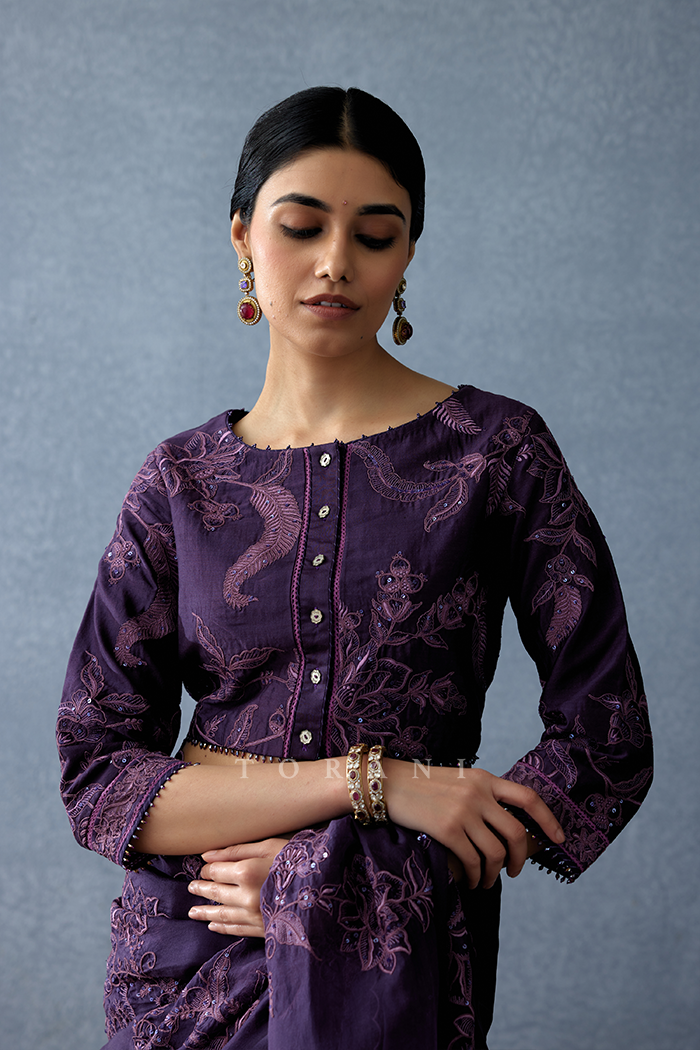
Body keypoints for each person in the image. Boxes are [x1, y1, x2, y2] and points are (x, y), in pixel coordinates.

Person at [57, 86, 652, 1050]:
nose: (335, 262)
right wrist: (376, 784)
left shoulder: (494, 454)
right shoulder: (180, 482)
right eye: (301, 227)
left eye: (375, 235)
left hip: (397, 957)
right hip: (193, 947)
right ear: (243, 237)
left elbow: (608, 735)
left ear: (408, 253)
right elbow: (98, 772)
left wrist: (337, 885)